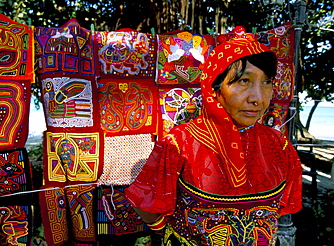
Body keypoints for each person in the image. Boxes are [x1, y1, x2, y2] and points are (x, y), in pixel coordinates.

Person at [125, 38, 302, 245]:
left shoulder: (278, 144)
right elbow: (145, 203)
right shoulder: (180, 143)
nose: (258, 98)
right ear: (214, 88)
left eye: (266, 82)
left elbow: (282, 207)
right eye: (244, 81)